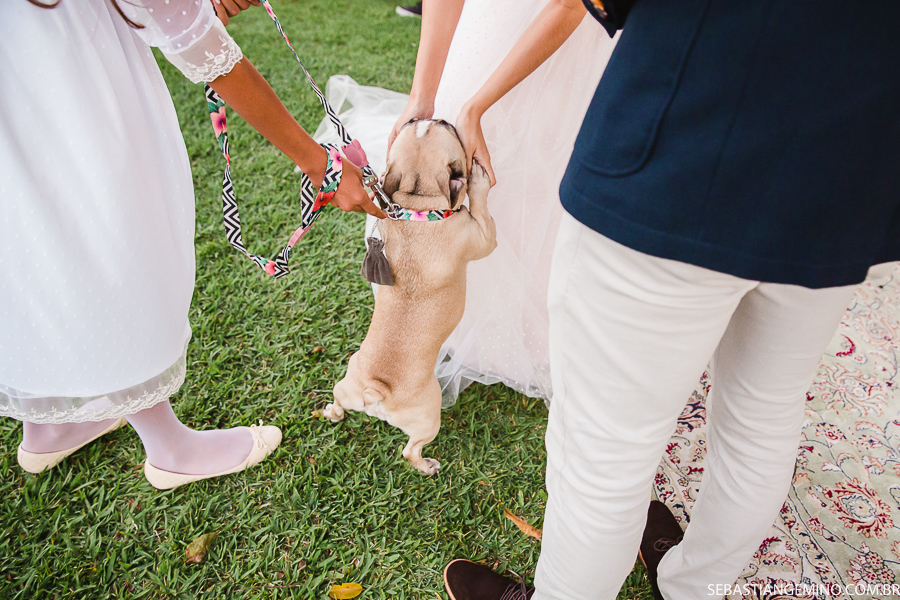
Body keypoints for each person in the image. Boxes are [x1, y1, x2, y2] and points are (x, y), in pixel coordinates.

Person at [441, 1, 900, 599]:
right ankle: (689, 590)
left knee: (602, 447)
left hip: (678, 150)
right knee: (762, 418)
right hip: (849, 177)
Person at [0, 0, 383, 489]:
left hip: (18, 93)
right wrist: (318, 162)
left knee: (36, 240)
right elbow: (207, 51)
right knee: (108, 244)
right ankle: (170, 448)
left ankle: (48, 426)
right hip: (82, 101)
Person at [383, 0, 616, 404]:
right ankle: (459, 321)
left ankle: (543, 326)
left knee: (548, 161)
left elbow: (570, 5)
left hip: (572, 38)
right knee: (459, 142)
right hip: (488, 23)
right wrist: (424, 94)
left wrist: (477, 106)